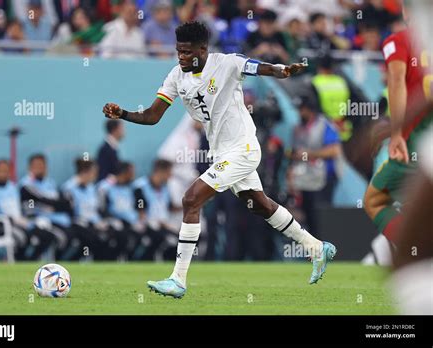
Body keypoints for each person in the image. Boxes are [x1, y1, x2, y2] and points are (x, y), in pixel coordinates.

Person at [103, 21, 336, 299]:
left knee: (191, 199)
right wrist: (124, 114)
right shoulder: (177, 76)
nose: (181, 57)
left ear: (203, 49)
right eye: (178, 51)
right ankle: (316, 248)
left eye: (187, 52)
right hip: (221, 153)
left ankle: (178, 279)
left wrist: (281, 71)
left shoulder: (226, 64)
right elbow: (152, 116)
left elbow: (258, 67)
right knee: (261, 206)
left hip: (244, 149)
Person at [363, 2, 433, 247]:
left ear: (406, 12)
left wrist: (396, 134)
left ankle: (417, 252)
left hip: (418, 135)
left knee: (375, 200)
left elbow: (396, 80)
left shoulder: (399, 40)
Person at [0, 159, 55, 260]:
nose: (3, 173)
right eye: (1, 170)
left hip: (19, 223)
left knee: (47, 236)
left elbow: (21, 208)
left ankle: (30, 260)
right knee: (22, 237)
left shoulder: (13, 188)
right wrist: (8, 218)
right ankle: (19, 260)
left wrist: (30, 218)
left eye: (6, 171)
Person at [288, 96, 342, 237]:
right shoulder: (298, 128)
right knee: (308, 218)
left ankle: (326, 251)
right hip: (305, 179)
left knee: (321, 218)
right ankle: (313, 253)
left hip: (323, 178)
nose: (299, 113)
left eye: (302, 109)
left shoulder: (324, 125)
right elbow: (293, 154)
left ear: (310, 109)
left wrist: (309, 154)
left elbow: (334, 150)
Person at [19, 153, 80, 260]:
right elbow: (42, 199)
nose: (40, 168)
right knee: (57, 237)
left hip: (54, 219)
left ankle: (60, 264)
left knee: (75, 236)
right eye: (36, 166)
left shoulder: (50, 183)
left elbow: (64, 203)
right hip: (36, 220)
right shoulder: (26, 184)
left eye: (42, 166)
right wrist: (54, 205)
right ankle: (30, 261)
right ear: (30, 167)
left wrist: (55, 205)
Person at [61, 159, 117, 260]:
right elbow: (71, 212)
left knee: (113, 234)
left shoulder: (91, 188)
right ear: (85, 172)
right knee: (95, 238)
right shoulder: (69, 188)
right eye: (94, 173)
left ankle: (103, 266)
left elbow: (95, 210)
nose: (95, 176)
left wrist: (100, 222)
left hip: (93, 223)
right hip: (77, 223)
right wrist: (93, 223)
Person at [132, 159, 178, 260]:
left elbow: (171, 207)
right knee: (160, 238)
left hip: (163, 225)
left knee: (183, 239)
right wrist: (154, 223)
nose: (170, 176)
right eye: (168, 173)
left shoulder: (165, 188)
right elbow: (140, 211)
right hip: (146, 225)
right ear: (160, 171)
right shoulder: (140, 187)